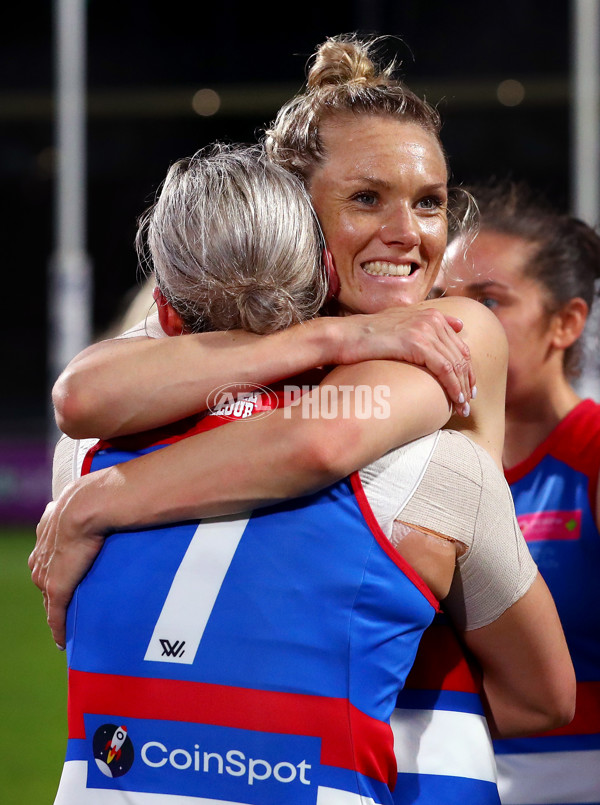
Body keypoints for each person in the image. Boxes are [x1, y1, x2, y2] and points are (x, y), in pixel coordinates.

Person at [32, 36, 575, 804]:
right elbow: (84, 396)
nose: (409, 232)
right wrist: (329, 334)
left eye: (428, 201)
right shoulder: (259, 336)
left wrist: (98, 500)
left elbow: (322, 436)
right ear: (294, 207)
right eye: (366, 199)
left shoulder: (452, 328)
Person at [437, 179, 600, 805]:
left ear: (566, 323)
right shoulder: (422, 462)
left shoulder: (589, 457)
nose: (456, 321)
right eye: (442, 298)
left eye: (488, 300)